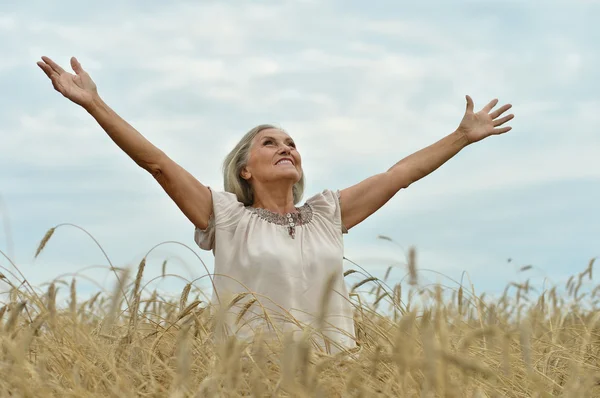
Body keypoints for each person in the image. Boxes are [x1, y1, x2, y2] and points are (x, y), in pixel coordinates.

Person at [36, 56, 514, 353]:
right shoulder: (224, 216)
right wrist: (94, 105)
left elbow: (398, 176)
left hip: (336, 376)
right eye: (269, 143)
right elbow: (156, 162)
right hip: (252, 379)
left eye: (291, 142)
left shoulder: (328, 213)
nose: (286, 147)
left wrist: (461, 137)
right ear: (244, 167)